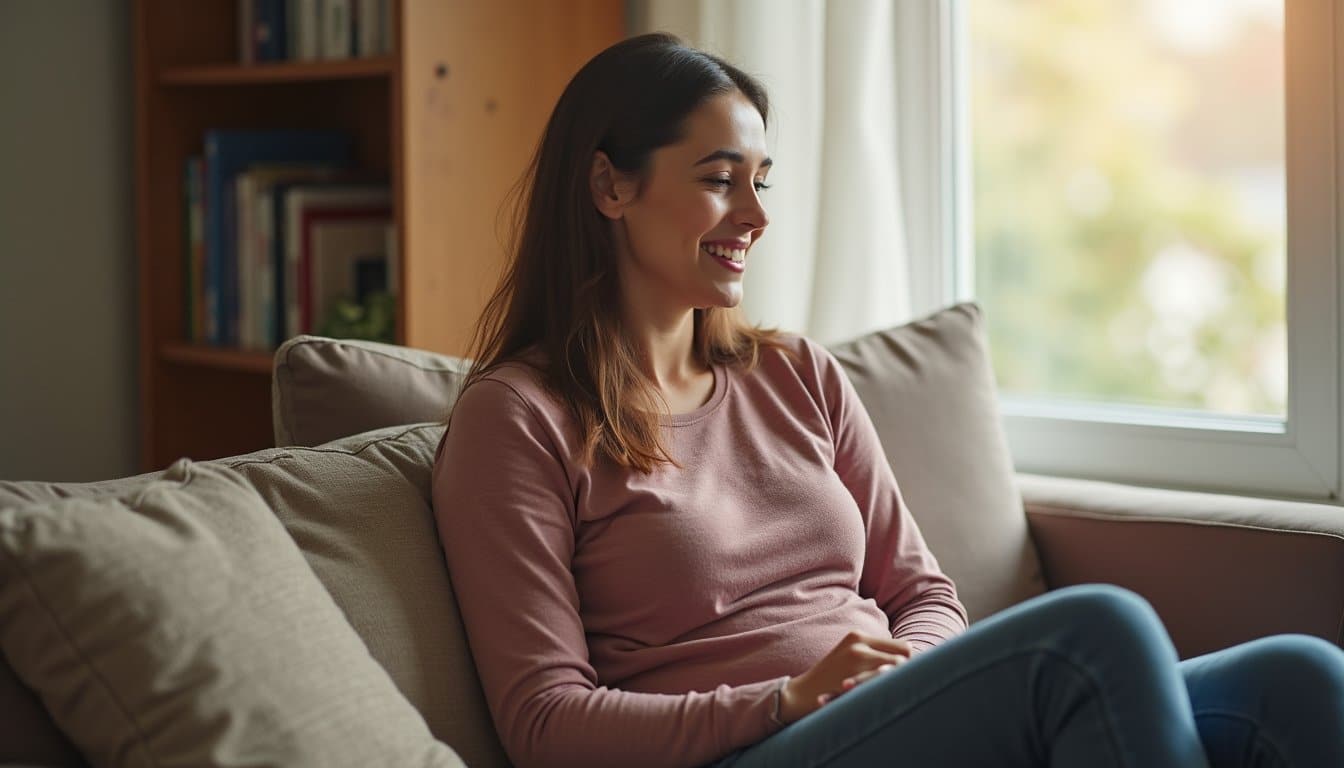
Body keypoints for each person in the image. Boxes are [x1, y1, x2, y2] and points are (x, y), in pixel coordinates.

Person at [431, 32, 1344, 768]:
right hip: (752, 746)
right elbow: (545, 724)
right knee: (1093, 631)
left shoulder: (795, 375)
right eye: (719, 179)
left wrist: (913, 674)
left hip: (892, 715)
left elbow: (925, 592)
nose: (756, 214)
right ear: (609, 186)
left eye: (762, 179)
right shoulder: (518, 419)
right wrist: (787, 699)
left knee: (1297, 678)